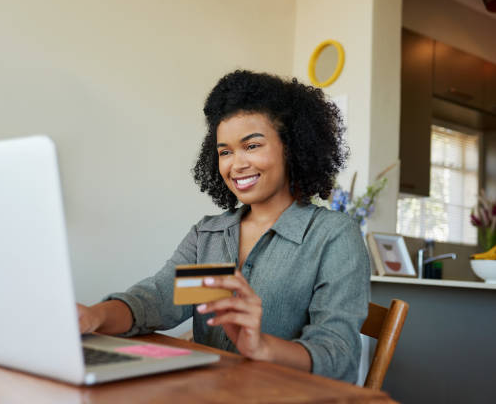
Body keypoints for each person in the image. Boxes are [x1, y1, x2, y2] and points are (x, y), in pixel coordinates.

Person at [76, 70, 370, 383]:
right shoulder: (209, 235)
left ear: (292, 147)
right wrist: (94, 316)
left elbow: (338, 353)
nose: (236, 164)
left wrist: (262, 347)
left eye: (252, 146)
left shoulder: (333, 236)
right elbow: (159, 299)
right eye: (225, 152)